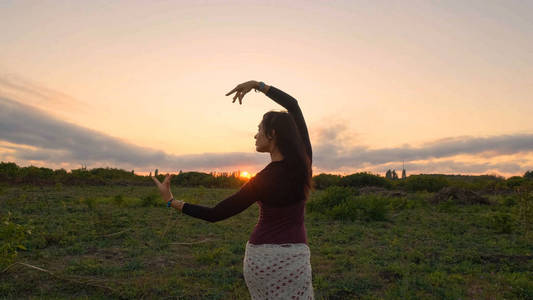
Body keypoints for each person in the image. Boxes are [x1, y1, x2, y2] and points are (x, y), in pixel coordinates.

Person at [152, 80, 314, 299]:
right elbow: (293, 105)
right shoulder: (303, 164)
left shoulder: (262, 180)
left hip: (261, 260)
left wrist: (171, 201)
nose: (255, 135)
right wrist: (258, 85)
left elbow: (215, 214)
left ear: (272, 135)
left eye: (259, 130)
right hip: (296, 258)